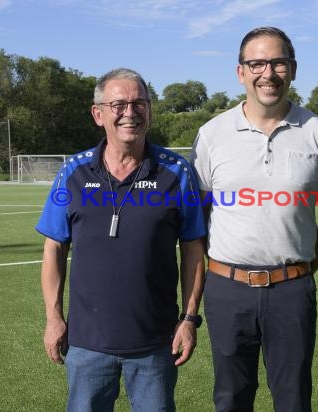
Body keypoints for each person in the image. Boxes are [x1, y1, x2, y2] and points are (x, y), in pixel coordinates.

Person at [191, 27, 318, 411]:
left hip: (292, 291)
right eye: (257, 63)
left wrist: (304, 269)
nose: (268, 73)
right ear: (240, 71)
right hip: (227, 290)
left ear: (292, 69)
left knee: (293, 399)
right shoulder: (212, 135)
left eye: (278, 62)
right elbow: (197, 221)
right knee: (230, 399)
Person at [36, 68, 206, 412]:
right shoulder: (73, 172)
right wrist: (54, 318)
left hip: (156, 345)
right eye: (118, 104)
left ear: (150, 110)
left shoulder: (177, 172)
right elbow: (54, 247)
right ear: (98, 114)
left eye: (139, 103)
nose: (130, 113)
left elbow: (193, 251)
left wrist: (189, 320)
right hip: (86, 345)